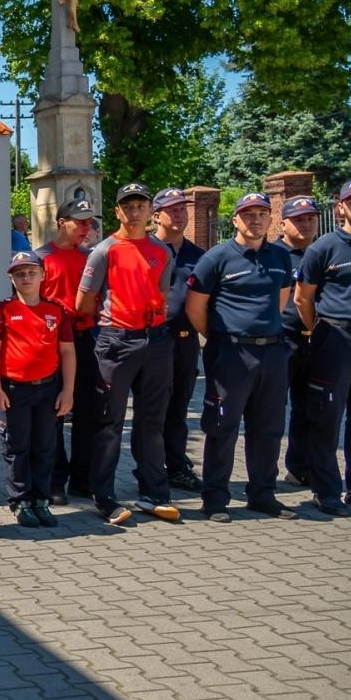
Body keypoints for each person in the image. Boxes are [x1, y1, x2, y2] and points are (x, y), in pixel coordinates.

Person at [184, 193, 295, 521]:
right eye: (248, 214)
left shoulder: (280, 257)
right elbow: (195, 307)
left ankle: (263, 495)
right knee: (222, 426)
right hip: (231, 353)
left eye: (262, 213)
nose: (255, 220)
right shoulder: (216, 258)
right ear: (235, 220)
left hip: (272, 351)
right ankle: (216, 499)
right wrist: (223, 335)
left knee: (269, 427)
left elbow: (282, 300)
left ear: (270, 218)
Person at [76, 182, 179, 526]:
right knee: (109, 421)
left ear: (151, 210)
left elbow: (162, 291)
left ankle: (154, 492)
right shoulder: (104, 250)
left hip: (156, 340)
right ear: (118, 211)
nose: (134, 211)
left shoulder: (162, 251)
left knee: (152, 421)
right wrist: (111, 326)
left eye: (141, 205)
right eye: (128, 206)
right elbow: (84, 301)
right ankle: (103, 495)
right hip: (115, 342)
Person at [0, 251, 76, 527]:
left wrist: (68, 391)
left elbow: (68, 353)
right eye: (20, 273)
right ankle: (21, 500)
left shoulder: (56, 311)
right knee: (17, 446)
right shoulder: (3, 311)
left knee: (45, 446)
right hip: (15, 390)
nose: (26, 277)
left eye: (31, 272)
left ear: (42, 275)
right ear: (12, 279)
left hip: (48, 389)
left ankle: (41, 499)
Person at [293, 179, 351, 517]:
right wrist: (319, 327)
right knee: (327, 417)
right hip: (336, 337)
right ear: (341, 207)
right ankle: (326, 491)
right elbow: (302, 297)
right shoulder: (325, 247)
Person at [147, 188, 207, 493]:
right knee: (153, 410)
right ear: (156, 215)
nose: (180, 215)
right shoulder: (144, 250)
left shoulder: (198, 256)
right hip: (153, 340)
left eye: (183, 209)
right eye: (173, 210)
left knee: (179, 408)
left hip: (185, 341)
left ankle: (177, 466)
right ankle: (151, 470)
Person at [38, 199, 98, 503]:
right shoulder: (40, 258)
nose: (86, 228)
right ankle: (55, 479)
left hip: (85, 339)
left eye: (89, 222)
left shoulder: (92, 258)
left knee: (88, 411)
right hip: (50, 344)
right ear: (62, 221)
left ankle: (83, 478)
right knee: (55, 413)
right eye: (81, 222)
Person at [276, 195, 321, 486]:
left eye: (310, 218)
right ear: (282, 224)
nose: (305, 224)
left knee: (309, 408)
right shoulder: (272, 253)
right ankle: (264, 473)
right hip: (282, 340)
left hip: (317, 341)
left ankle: (301, 468)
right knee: (271, 408)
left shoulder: (322, 252)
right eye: (298, 219)